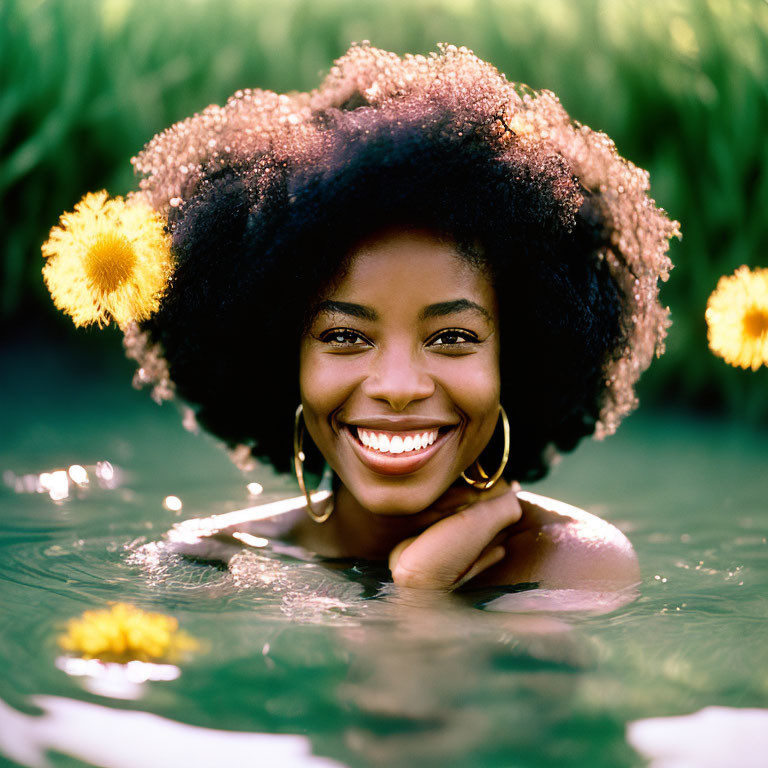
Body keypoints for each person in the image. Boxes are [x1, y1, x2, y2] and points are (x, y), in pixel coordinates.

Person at [42, 43, 679, 593]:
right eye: (345, 336)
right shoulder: (205, 563)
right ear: (281, 357)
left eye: (452, 337)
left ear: (518, 358)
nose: (398, 385)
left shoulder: (573, 564)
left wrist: (420, 605)